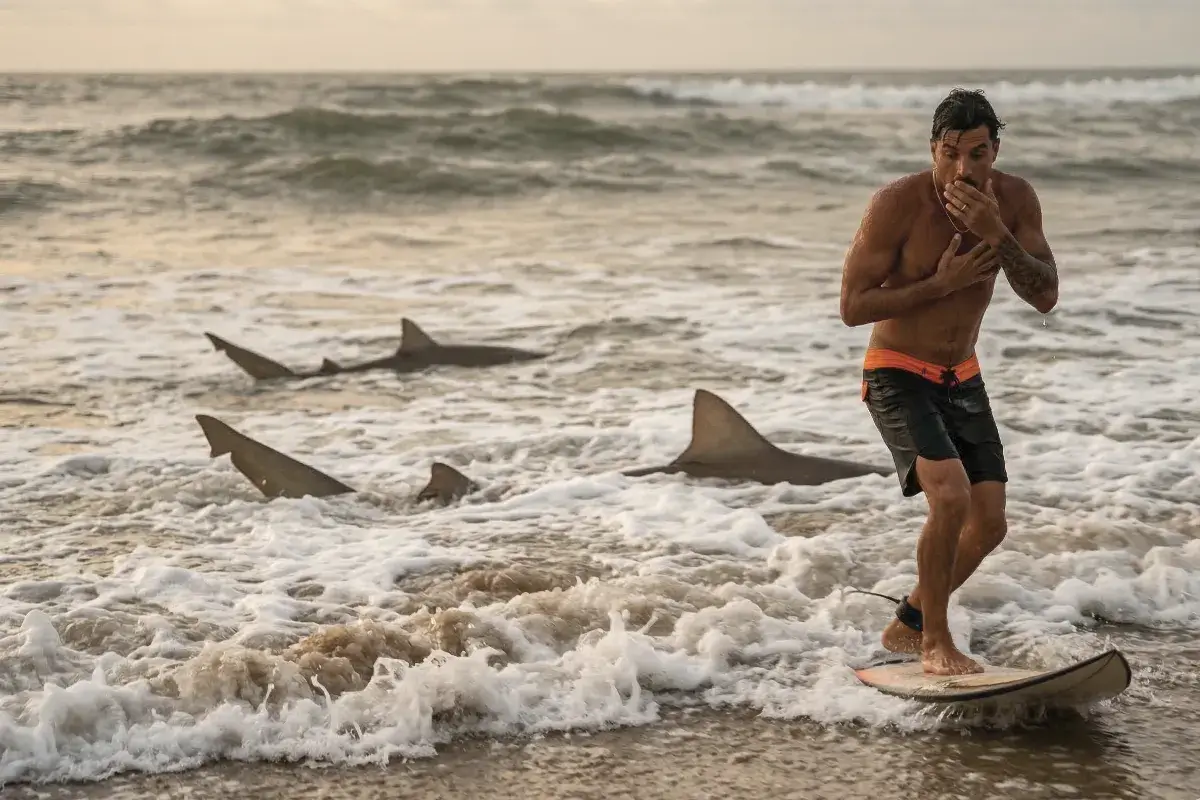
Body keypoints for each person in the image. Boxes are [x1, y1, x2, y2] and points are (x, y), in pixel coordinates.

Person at [838, 88, 1059, 676]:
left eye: (978, 155)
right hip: (897, 371)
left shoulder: (1015, 201)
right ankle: (936, 641)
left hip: (962, 375)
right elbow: (853, 306)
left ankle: (908, 624)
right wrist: (938, 286)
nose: (962, 169)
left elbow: (1046, 295)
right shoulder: (896, 204)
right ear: (933, 148)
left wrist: (998, 234)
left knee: (989, 524)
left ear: (995, 151)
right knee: (952, 497)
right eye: (949, 153)